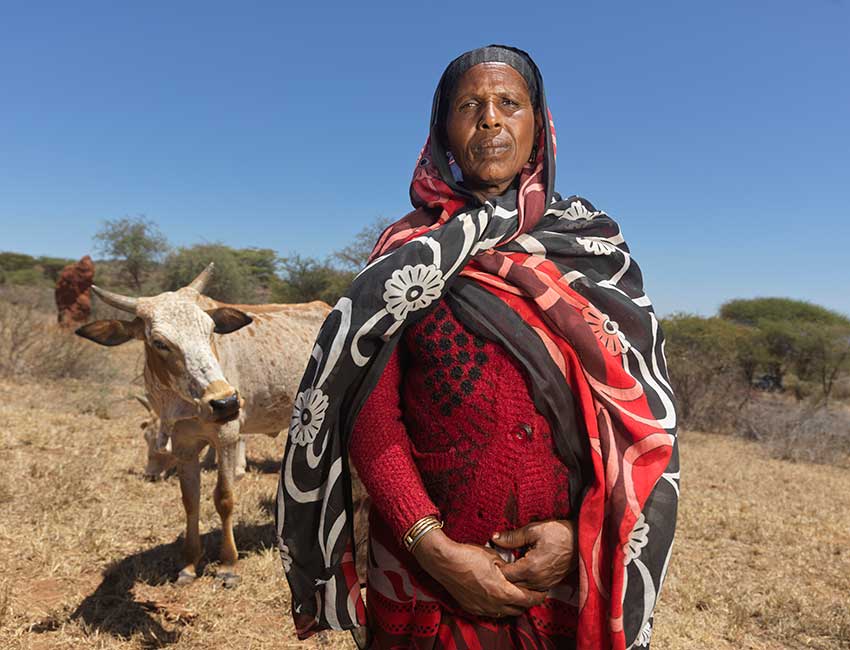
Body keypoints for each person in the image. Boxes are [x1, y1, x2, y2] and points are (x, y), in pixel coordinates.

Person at [276, 45, 679, 650]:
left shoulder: (593, 250)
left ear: (538, 127)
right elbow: (369, 415)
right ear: (443, 132)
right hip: (427, 583)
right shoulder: (408, 255)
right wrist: (432, 547)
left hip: (561, 582)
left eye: (509, 103)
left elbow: (638, 421)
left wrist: (579, 535)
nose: (490, 119)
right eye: (470, 105)